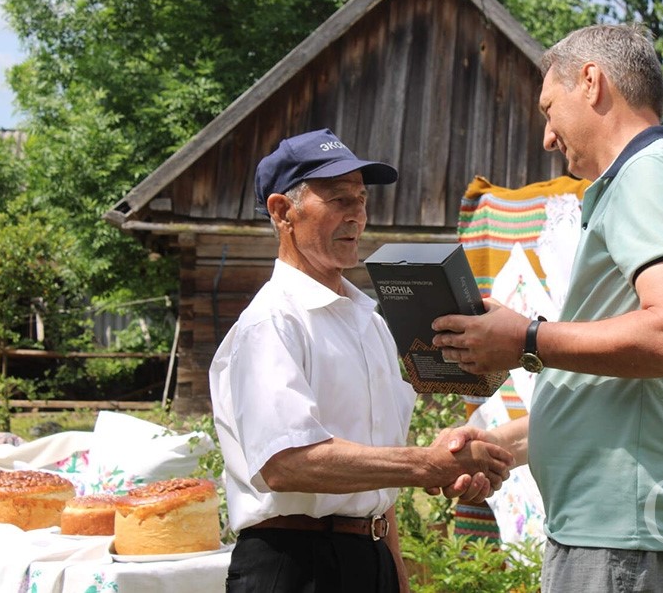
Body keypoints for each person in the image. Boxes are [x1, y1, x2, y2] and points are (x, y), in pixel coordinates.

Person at [432, 24, 663, 592]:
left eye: (549, 109)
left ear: (592, 82)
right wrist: (497, 448)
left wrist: (526, 339)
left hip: (631, 544)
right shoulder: (652, 179)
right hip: (635, 534)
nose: (548, 137)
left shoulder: (652, 175)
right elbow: (630, 395)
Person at [209, 128, 514, 593]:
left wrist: (395, 573)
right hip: (293, 567)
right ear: (282, 211)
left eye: (361, 198)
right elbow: (286, 463)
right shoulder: (272, 323)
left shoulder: (368, 322)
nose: (357, 214)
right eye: (337, 199)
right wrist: (429, 465)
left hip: (368, 559)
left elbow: (373, 490)